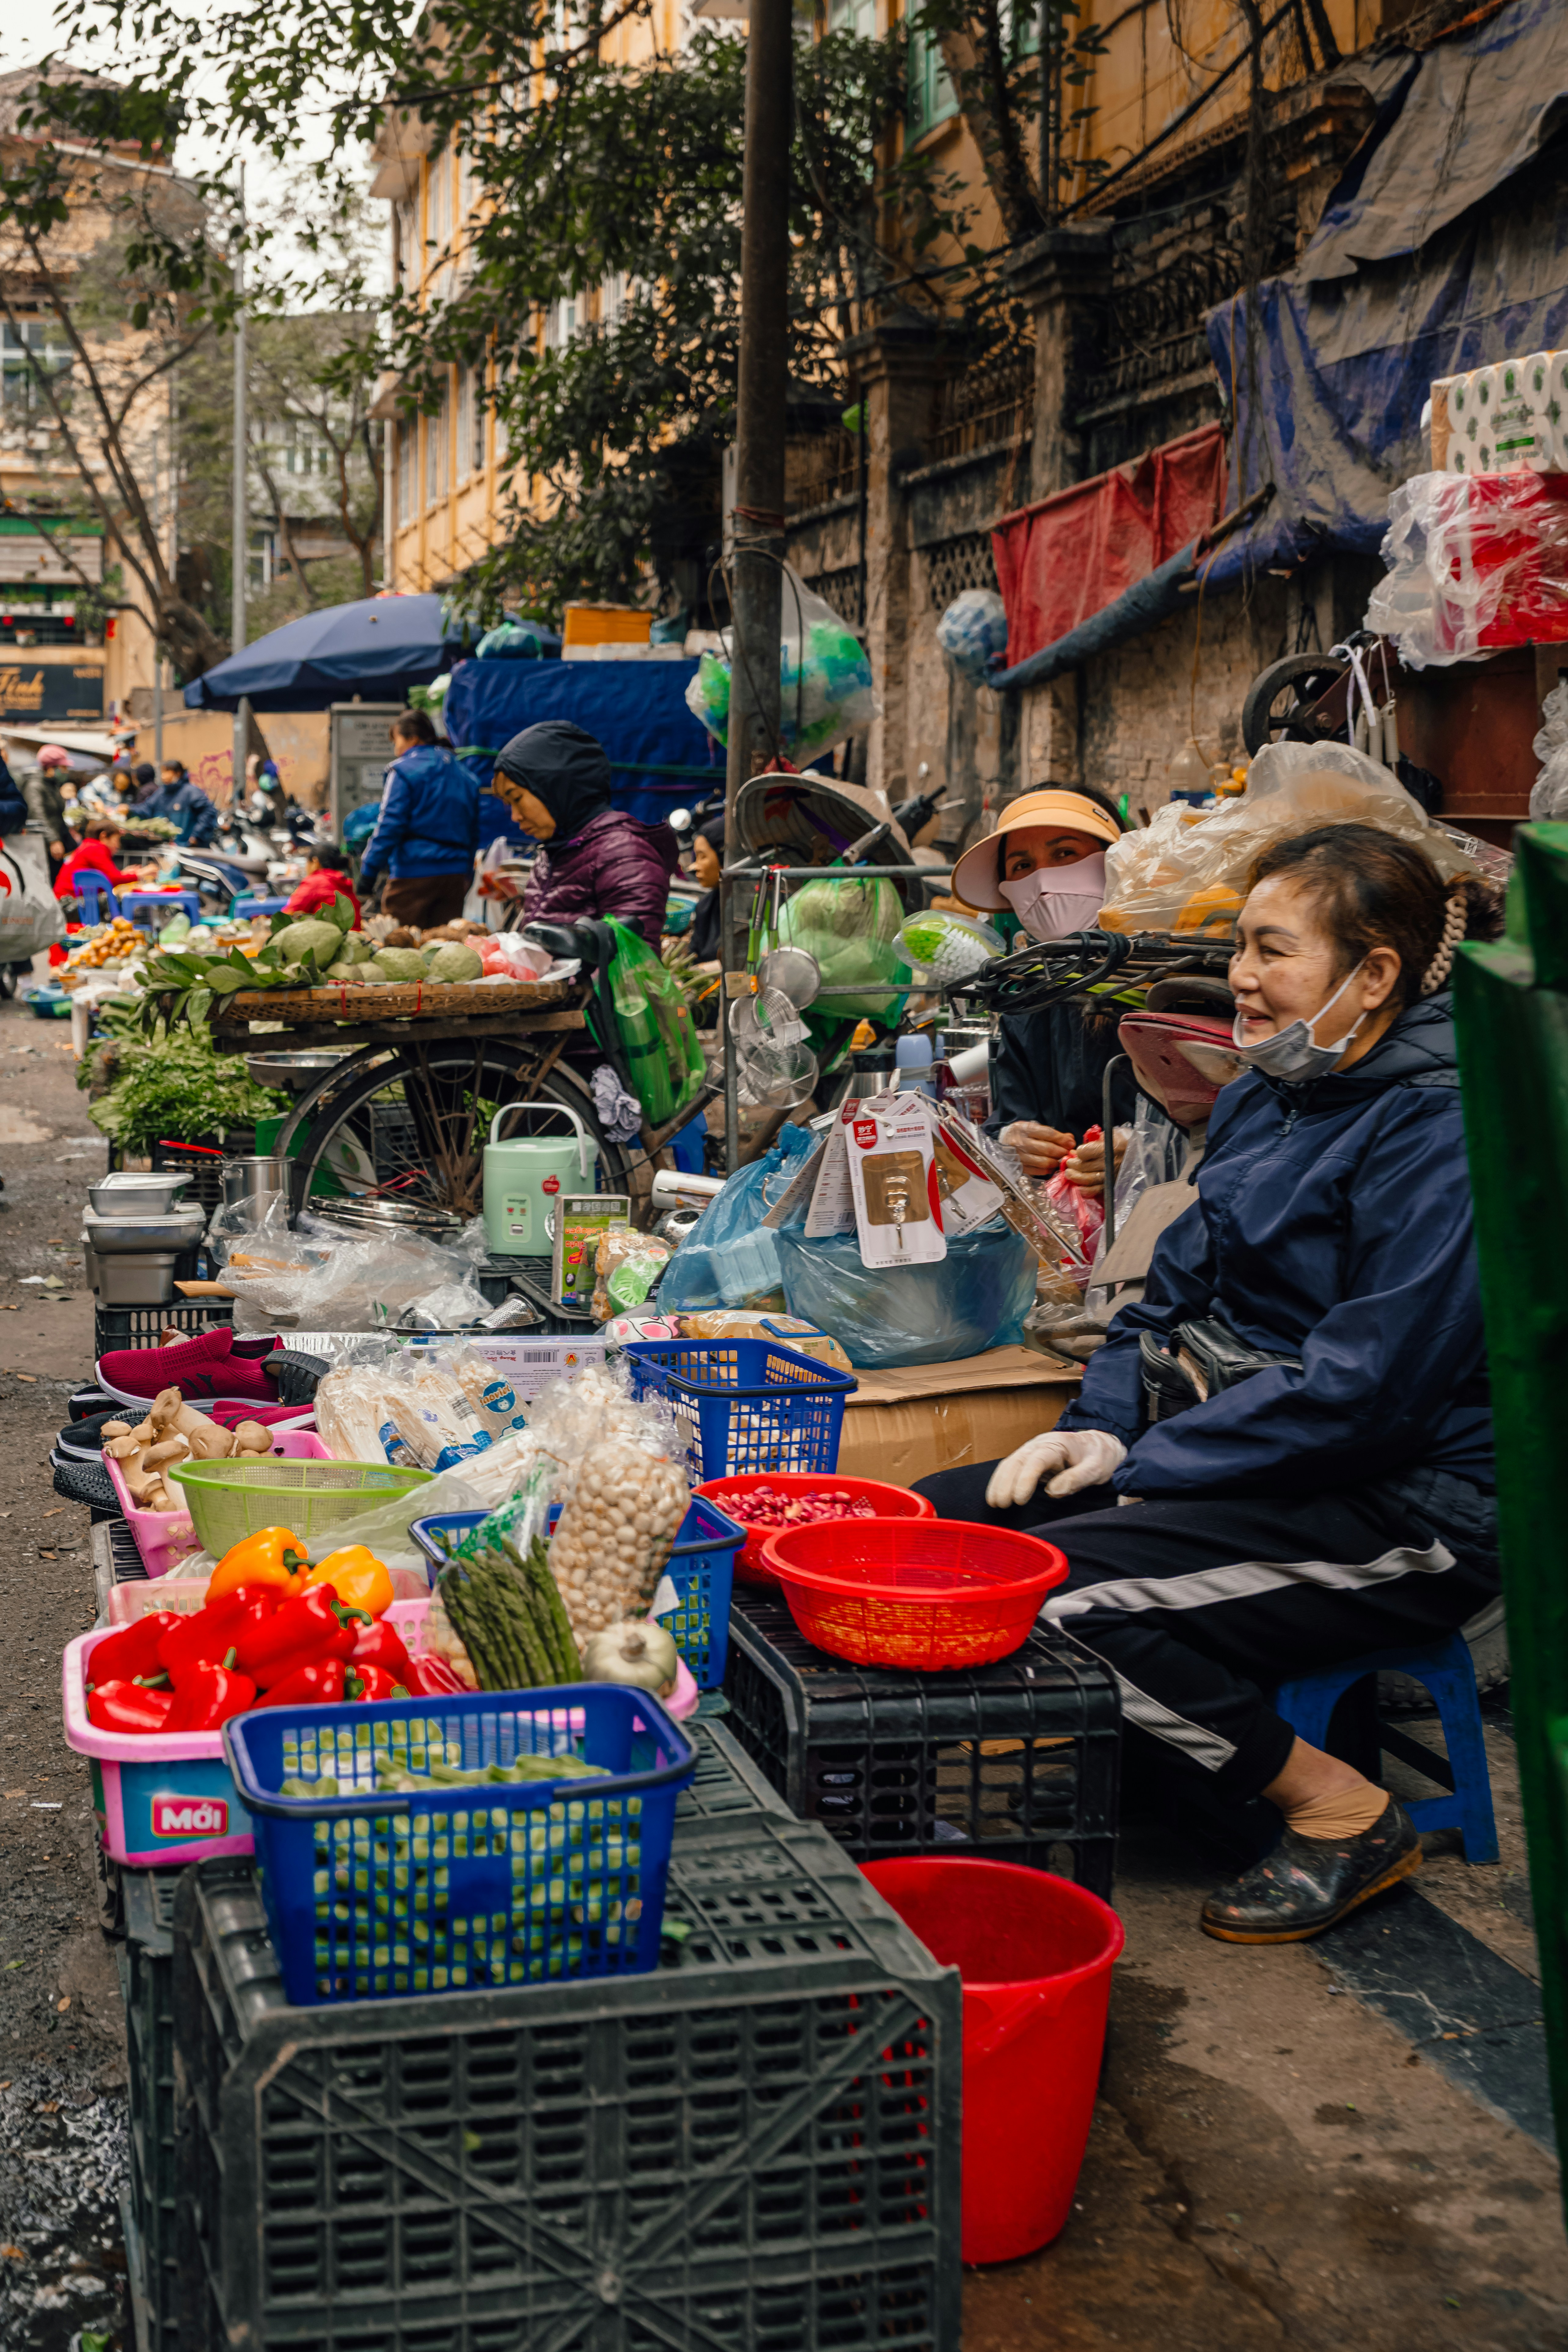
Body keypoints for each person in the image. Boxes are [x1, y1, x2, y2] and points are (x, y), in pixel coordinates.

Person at [915, 821, 1503, 1944]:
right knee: (944, 1529)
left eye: (1271, 950)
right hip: (1251, 1455)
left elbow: (1366, 1391)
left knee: (1051, 1599)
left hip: (1408, 1504)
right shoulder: (1264, 1096)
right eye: (1238, 944)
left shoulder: (1440, 1126)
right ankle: (1170, 1761)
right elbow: (1162, 1305)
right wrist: (1092, 1427)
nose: (1237, 975)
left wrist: (1151, 1463)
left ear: (1372, 973)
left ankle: (1341, 1810)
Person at [952, 786, 1138, 1200]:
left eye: (1065, 853)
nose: (1042, 878)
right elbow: (1010, 1117)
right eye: (1022, 865)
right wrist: (1011, 1141)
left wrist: (1148, 1147)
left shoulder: (1167, 975)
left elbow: (1219, 1114)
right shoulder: (1026, 994)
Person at [490, 720, 678, 949]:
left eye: (517, 798)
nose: (515, 816)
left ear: (555, 786)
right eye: (509, 804)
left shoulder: (624, 854)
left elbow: (635, 958)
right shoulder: (554, 853)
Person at [357, 708, 479, 930]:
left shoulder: (403, 770)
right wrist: (466, 874)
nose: (396, 749)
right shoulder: (465, 774)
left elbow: (390, 824)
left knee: (400, 947)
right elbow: (475, 830)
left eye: (397, 741)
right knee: (443, 949)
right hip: (455, 875)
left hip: (414, 873)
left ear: (412, 738)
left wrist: (368, 872)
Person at [54, 817, 155, 903]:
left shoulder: (88, 846)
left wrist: (124, 874)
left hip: (64, 901)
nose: (118, 846)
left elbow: (106, 879)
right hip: (70, 904)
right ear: (104, 836)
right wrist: (140, 875)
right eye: (116, 840)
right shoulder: (97, 848)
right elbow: (113, 879)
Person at [285, 841, 362, 927]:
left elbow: (288, 915)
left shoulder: (316, 881)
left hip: (331, 938)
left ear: (315, 862)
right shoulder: (343, 881)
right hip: (353, 937)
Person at [23, 745, 71, 871]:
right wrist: (53, 841)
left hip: (54, 844)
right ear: (51, 768)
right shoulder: (35, 786)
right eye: (64, 768)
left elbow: (58, 817)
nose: (66, 771)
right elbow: (37, 814)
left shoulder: (52, 786)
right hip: (42, 846)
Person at [688, 811, 724, 961]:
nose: (695, 866)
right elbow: (694, 954)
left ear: (725, 857)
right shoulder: (704, 907)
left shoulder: (754, 907)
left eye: (703, 857)